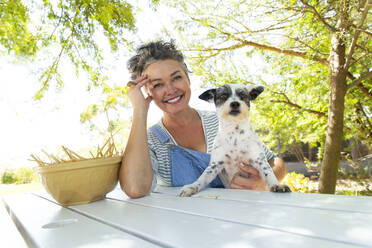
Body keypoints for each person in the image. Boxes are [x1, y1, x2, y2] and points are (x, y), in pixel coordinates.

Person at [120, 40, 287, 199]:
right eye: (157, 85)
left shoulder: (223, 119)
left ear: (188, 79)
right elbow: (135, 189)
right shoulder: (150, 140)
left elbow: (275, 162)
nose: (170, 90)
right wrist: (139, 110)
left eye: (176, 78)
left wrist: (261, 182)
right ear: (147, 92)